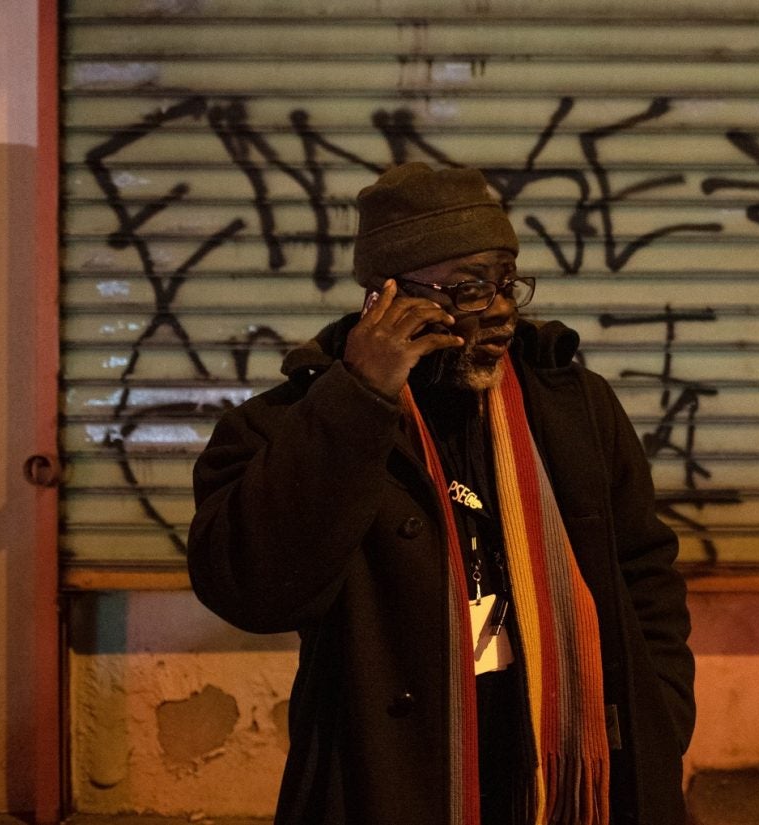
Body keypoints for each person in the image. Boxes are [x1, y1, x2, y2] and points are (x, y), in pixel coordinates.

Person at [188, 163, 695, 825]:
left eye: (507, 281)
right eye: (468, 287)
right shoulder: (292, 423)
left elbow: (645, 571)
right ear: (387, 297)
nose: (501, 307)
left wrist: (659, 710)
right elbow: (250, 587)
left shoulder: (574, 408)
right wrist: (359, 397)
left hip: (565, 762)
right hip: (396, 778)